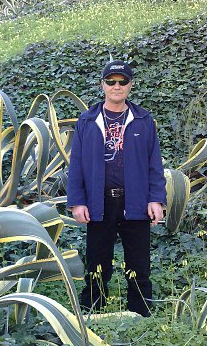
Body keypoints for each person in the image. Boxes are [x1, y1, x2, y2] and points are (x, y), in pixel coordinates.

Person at [66, 60, 167, 316]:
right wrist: (77, 202)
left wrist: (156, 199)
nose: (117, 86)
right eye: (111, 81)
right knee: (97, 262)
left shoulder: (143, 120)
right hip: (99, 203)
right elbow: (76, 164)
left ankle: (141, 313)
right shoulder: (87, 121)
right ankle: (92, 312)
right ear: (103, 85)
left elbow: (154, 163)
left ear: (131, 85)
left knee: (139, 263)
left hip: (136, 201)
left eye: (122, 81)